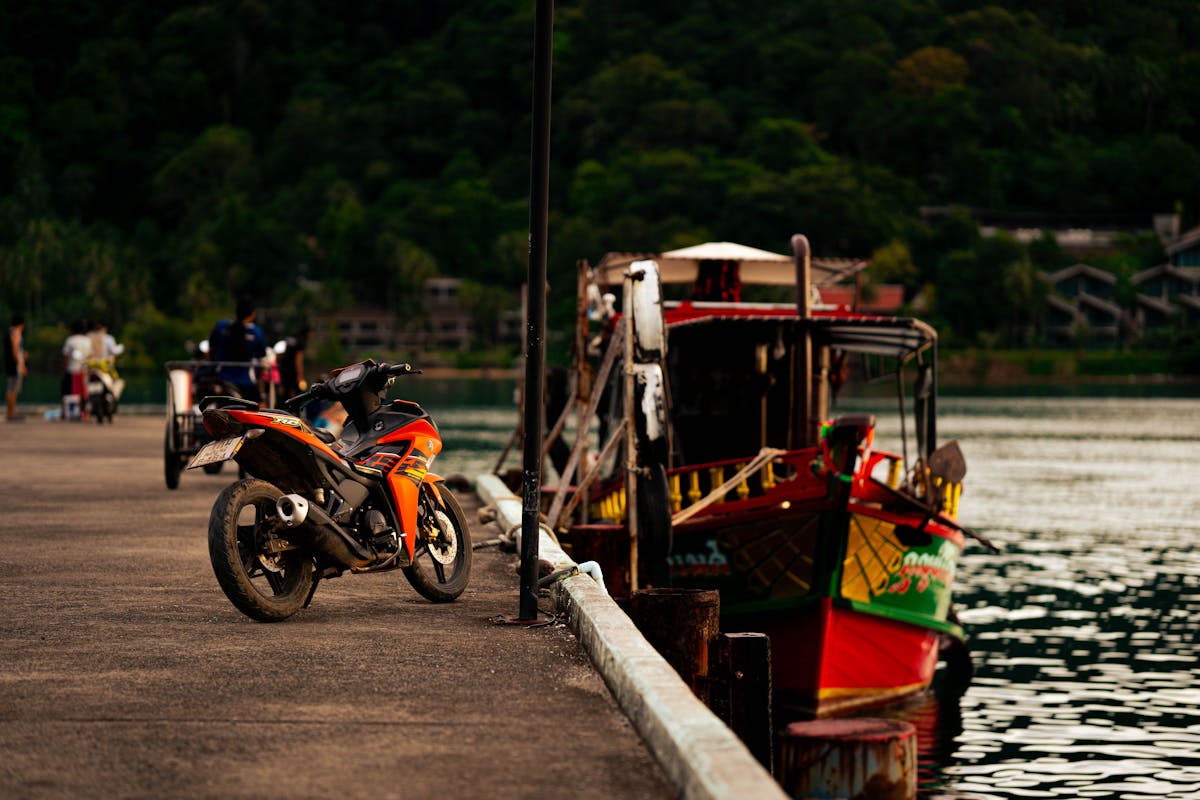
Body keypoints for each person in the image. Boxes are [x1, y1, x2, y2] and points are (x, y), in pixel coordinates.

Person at [208, 296, 267, 402]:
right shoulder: (256, 332)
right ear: (253, 314)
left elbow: (211, 351)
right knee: (262, 409)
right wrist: (259, 382)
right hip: (246, 384)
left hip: (223, 382)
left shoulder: (221, 327)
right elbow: (261, 362)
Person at [61, 319, 93, 419]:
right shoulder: (87, 340)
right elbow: (90, 356)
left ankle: (66, 412)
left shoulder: (70, 340)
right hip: (84, 371)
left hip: (72, 370)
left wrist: (64, 369)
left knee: (66, 392)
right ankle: (84, 413)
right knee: (83, 393)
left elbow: (65, 357)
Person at [6, 313, 28, 421]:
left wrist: (22, 353)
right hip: (15, 364)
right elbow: (15, 348)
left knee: (10, 388)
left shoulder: (9, 331)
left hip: (9, 363)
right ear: (21, 324)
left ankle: (10, 413)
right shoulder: (16, 332)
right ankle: (11, 414)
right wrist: (21, 364)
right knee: (13, 390)